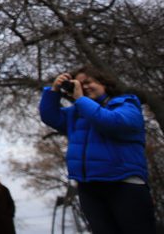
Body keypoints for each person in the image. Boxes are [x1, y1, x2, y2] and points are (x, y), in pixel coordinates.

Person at [39, 65, 157, 233]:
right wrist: (54, 91)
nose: (84, 87)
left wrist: (80, 99)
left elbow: (110, 122)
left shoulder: (126, 104)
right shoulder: (76, 113)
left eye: (88, 82)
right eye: (78, 84)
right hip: (90, 187)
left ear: (104, 83)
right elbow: (50, 116)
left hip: (124, 184)